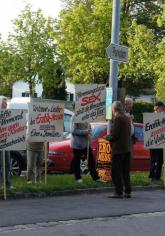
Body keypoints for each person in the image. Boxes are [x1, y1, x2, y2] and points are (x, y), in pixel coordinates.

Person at [70, 102, 104, 183]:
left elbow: (88, 127)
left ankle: (95, 177)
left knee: (91, 160)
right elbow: (73, 130)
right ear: (75, 108)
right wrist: (85, 131)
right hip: (77, 144)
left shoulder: (84, 116)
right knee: (77, 161)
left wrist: (89, 129)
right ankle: (78, 178)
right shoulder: (74, 117)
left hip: (86, 143)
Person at [106, 101, 132, 198]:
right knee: (125, 171)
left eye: (112, 109)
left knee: (116, 171)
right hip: (127, 148)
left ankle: (118, 191)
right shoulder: (126, 118)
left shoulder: (118, 119)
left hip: (119, 149)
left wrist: (106, 137)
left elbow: (115, 135)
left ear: (114, 109)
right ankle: (128, 191)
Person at [0, 97, 15, 189]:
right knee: (1, 165)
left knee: (8, 164)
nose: (5, 106)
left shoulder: (9, 115)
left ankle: (7, 183)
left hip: (7, 143)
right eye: (3, 104)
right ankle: (3, 184)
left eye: (6, 104)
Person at [149, 101, 164, 181]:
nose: (163, 110)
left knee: (160, 160)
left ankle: (157, 176)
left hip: (160, 141)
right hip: (153, 142)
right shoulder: (151, 117)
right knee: (154, 159)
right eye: (162, 108)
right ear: (157, 108)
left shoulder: (162, 116)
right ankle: (152, 175)